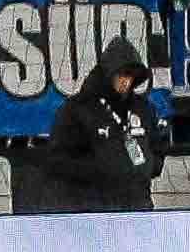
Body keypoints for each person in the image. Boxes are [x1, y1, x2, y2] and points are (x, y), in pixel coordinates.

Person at [41, 41, 167, 215]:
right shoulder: (78, 109)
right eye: (122, 75)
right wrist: (101, 170)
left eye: (131, 76)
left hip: (139, 206)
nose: (126, 81)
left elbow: (157, 147)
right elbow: (58, 160)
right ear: (108, 74)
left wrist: (147, 167)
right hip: (95, 209)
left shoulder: (144, 108)